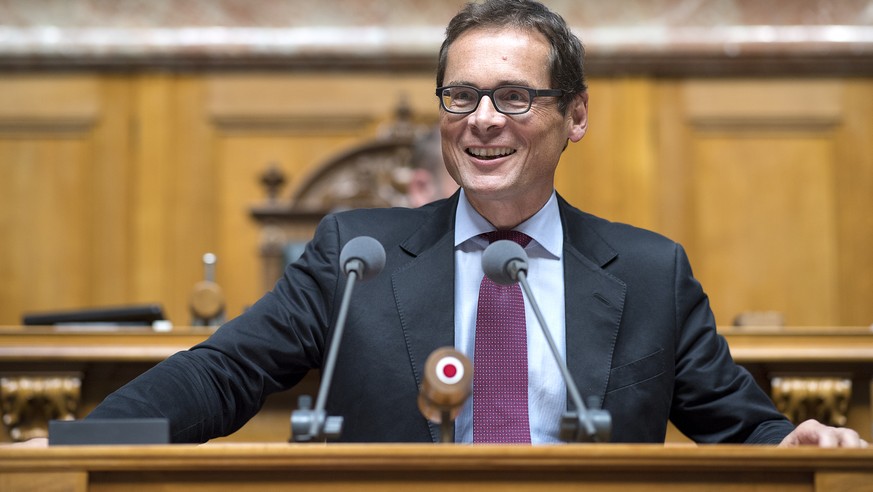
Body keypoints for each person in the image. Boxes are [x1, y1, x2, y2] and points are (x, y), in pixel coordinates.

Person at [87, 0, 865, 447]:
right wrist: (84, 442)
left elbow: (736, 424)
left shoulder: (646, 271)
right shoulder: (358, 253)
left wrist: (789, 443)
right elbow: (223, 372)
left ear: (576, 116)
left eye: (514, 97)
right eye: (460, 97)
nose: (482, 122)